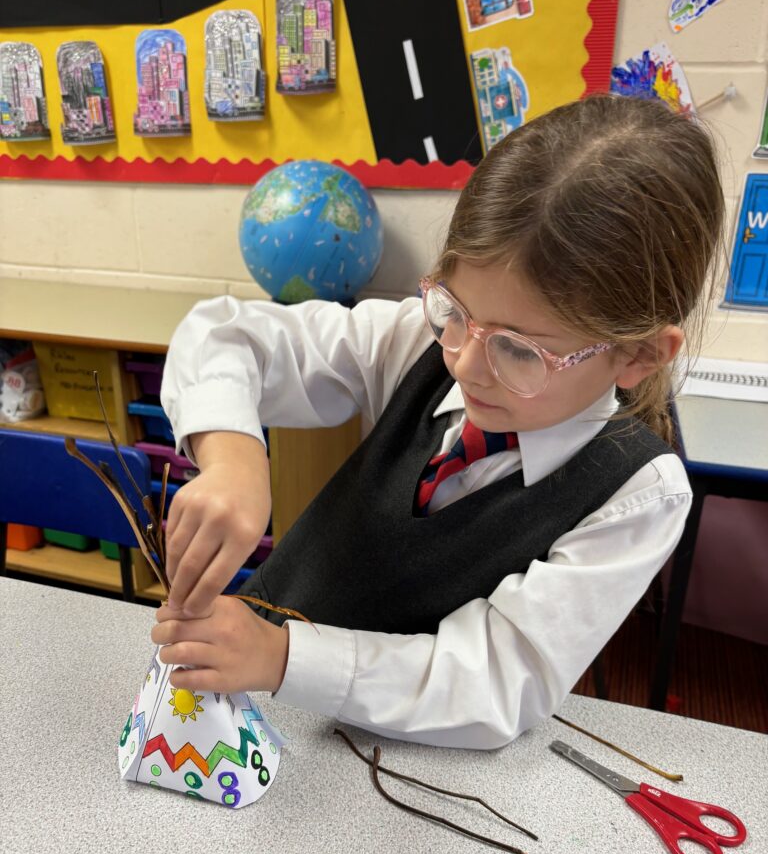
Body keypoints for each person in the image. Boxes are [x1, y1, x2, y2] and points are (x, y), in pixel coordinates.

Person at [153, 94, 724, 749]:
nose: (466, 364)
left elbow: (497, 685)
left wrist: (285, 658)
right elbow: (225, 336)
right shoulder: (420, 343)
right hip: (251, 714)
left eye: (520, 351)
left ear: (639, 354)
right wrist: (233, 462)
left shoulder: (639, 496)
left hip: (400, 770)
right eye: (452, 308)